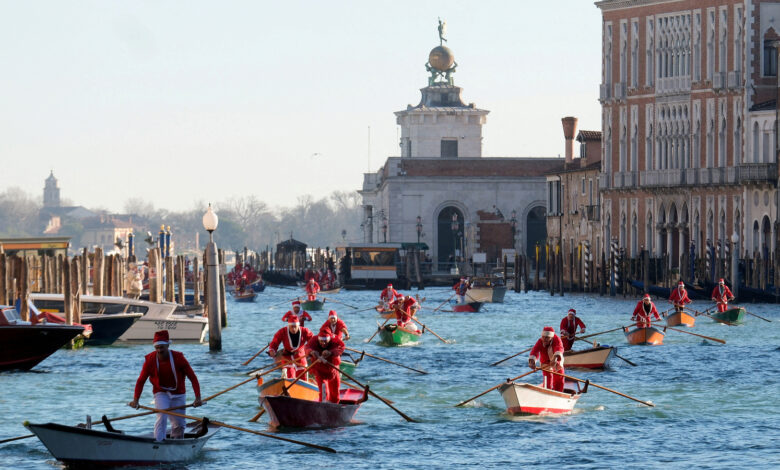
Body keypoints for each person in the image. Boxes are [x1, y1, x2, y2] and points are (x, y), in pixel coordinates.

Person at [128, 330, 203, 441]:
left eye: (162, 348)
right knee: (161, 416)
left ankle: (177, 442)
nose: (159, 350)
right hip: (160, 392)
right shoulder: (150, 360)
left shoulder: (179, 358)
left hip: (178, 393)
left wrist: (198, 398)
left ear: (168, 345)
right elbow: (141, 381)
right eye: (157, 348)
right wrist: (136, 400)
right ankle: (158, 443)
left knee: (179, 425)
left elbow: (192, 377)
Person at [306, 332, 345, 403]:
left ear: (329, 339)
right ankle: (322, 408)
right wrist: (311, 352)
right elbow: (307, 348)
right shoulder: (313, 340)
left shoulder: (335, 340)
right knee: (324, 393)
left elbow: (341, 347)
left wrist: (330, 352)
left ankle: (335, 407)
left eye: (325, 341)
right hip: (320, 371)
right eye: (321, 341)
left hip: (333, 369)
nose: (323, 343)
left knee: (335, 393)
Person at [528, 326, 565, 392]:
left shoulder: (557, 340)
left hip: (557, 361)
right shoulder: (540, 341)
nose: (544, 339)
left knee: (559, 379)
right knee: (548, 381)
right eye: (543, 337)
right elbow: (535, 351)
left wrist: (555, 359)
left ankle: (559, 392)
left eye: (547, 338)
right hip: (545, 363)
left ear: (552, 337)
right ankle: (548, 392)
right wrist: (532, 362)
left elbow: (559, 348)